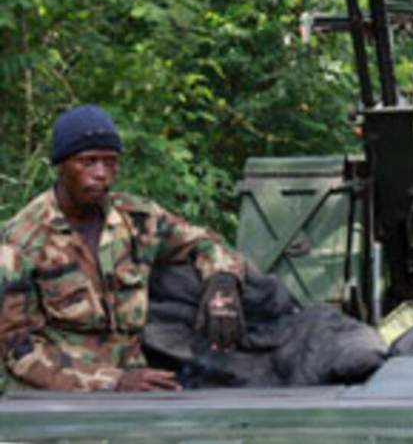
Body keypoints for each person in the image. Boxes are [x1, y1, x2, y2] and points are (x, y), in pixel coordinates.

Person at [0, 105, 248, 391]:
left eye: (110, 162)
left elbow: (204, 241)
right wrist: (112, 381)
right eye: (88, 161)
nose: (101, 174)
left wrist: (222, 283)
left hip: (138, 382)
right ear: (61, 165)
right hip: (57, 393)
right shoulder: (22, 240)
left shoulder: (136, 219)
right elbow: (17, 350)